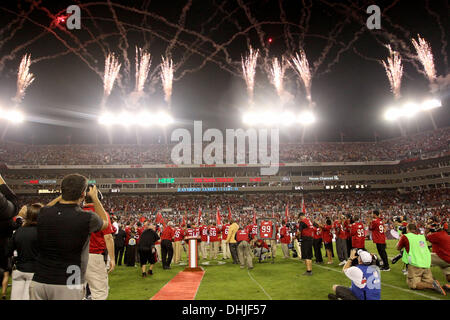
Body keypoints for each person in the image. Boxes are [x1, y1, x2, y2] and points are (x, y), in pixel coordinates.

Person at [30, 175, 109, 300]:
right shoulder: (87, 217)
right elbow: (105, 222)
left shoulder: (44, 213)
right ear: (83, 194)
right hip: (70, 281)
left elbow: (45, 207)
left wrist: (65, 194)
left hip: (40, 279)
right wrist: (95, 198)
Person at [397, 223, 446, 295]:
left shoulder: (406, 237)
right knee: (427, 280)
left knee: (413, 284)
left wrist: (400, 238)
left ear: (407, 229)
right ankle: (441, 286)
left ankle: (432, 285)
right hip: (426, 263)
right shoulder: (421, 236)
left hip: (415, 264)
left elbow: (398, 248)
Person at [83, 192, 115, 300]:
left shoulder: (76, 212)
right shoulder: (101, 214)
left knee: (76, 292)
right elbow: (108, 237)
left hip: (75, 256)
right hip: (94, 255)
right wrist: (112, 259)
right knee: (99, 292)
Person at [7, 204, 42, 300]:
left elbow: (8, 251)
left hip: (19, 269)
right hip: (34, 272)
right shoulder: (42, 233)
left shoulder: (19, 231)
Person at [0, 173, 19, 300]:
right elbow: (13, 203)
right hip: (3, 249)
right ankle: (3, 293)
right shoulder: (6, 219)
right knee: (6, 272)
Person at [426, 220, 450, 292]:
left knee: (422, 259)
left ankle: (432, 282)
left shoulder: (438, 234)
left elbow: (425, 238)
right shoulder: (447, 235)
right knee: (449, 276)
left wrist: (427, 230)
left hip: (442, 257)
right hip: (448, 259)